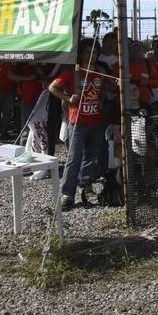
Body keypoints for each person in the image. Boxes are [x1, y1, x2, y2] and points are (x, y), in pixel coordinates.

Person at [49, 40, 111, 209]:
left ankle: (85, 187)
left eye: (94, 52)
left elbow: (107, 87)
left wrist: (103, 97)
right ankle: (67, 194)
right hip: (77, 122)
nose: (91, 55)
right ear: (81, 54)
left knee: (91, 157)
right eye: (87, 52)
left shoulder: (100, 72)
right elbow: (53, 87)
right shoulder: (73, 72)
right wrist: (67, 99)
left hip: (96, 121)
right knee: (73, 158)